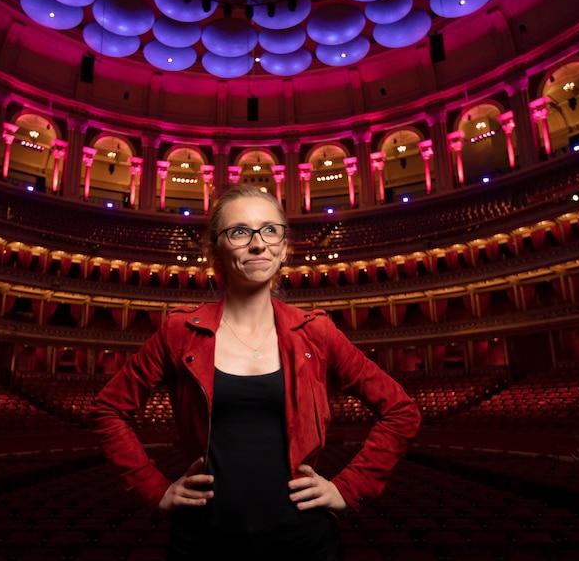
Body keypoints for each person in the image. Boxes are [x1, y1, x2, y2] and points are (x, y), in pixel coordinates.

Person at [89, 184, 421, 561]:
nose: (258, 244)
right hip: (203, 541)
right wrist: (153, 488)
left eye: (270, 230)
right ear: (216, 251)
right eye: (240, 232)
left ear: (283, 250)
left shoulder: (317, 332)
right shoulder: (179, 332)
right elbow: (108, 410)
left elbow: (401, 411)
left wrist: (349, 487)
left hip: (304, 542)